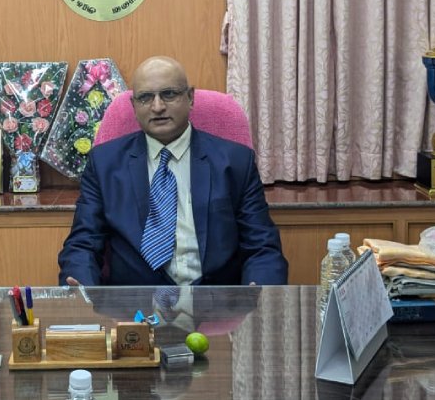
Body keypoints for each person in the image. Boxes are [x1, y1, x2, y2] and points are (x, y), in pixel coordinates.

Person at [58, 56, 288, 286]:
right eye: (145, 97)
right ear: (134, 106)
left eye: (169, 94)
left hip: (216, 300)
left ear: (190, 97)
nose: (158, 107)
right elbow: (84, 243)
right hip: (136, 302)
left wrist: (260, 292)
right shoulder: (104, 163)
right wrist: (81, 291)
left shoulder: (236, 161)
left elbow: (261, 246)